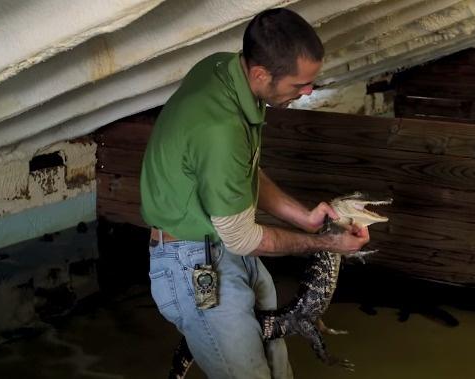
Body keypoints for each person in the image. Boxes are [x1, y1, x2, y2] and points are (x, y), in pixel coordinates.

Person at [139, 8, 370, 379]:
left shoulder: (222, 69)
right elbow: (243, 236)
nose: (309, 91)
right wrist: (327, 245)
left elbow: (241, 172)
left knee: (278, 368)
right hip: (193, 263)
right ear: (261, 74)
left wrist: (306, 218)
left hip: (223, 246)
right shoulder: (219, 127)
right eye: (300, 85)